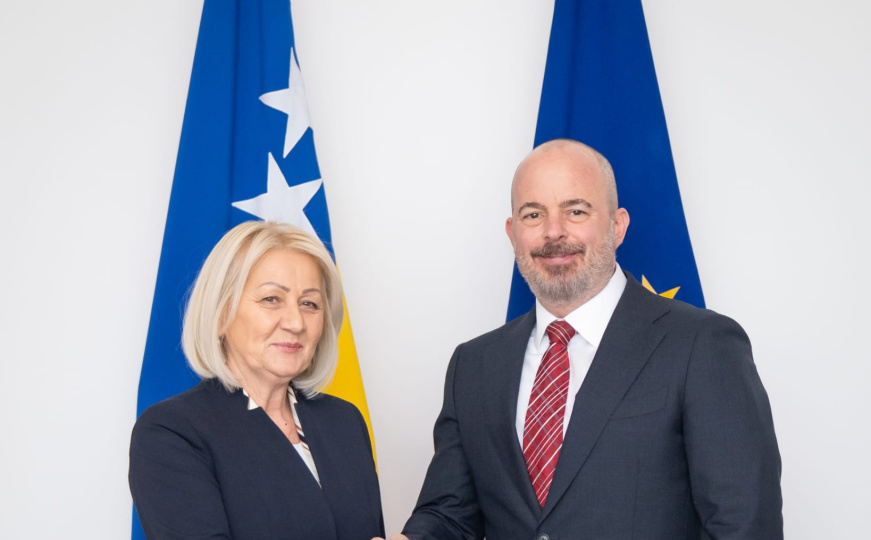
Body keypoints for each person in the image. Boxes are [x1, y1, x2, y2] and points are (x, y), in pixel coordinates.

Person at [377, 139, 782, 540]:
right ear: (512, 233)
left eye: (575, 211)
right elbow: (451, 515)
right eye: (533, 214)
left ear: (617, 225)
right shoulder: (474, 365)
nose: (553, 232)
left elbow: (743, 527)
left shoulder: (702, 346)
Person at [130, 221, 384, 540]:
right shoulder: (172, 432)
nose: (295, 322)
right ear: (220, 314)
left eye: (309, 303)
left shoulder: (344, 421)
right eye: (271, 299)